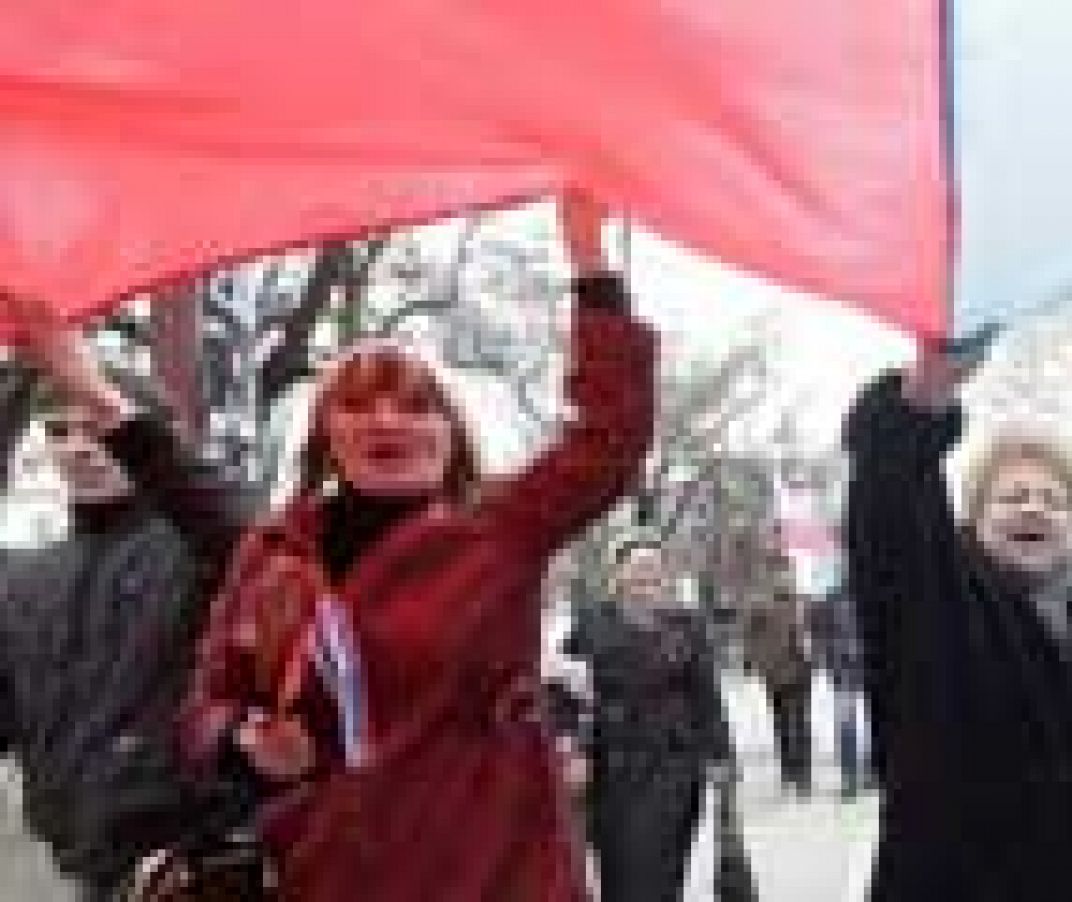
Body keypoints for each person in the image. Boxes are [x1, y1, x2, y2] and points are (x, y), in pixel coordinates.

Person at [179, 193, 659, 902]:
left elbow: (610, 439)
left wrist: (590, 263)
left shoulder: (500, 529)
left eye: (414, 406)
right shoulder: (275, 551)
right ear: (327, 437)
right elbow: (206, 705)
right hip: (328, 873)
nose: (387, 421)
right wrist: (242, 743)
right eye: (358, 405)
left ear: (451, 435)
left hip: (488, 871)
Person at [843, 346, 1072, 902]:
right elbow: (890, 521)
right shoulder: (937, 604)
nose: (1033, 509)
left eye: (1053, 500)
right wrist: (917, 405)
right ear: (976, 520)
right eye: (1013, 497)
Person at [0, 293, 249, 901]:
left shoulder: (203, 549)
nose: (81, 447)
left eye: (96, 428)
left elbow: (242, 537)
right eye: (60, 431)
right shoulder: (24, 576)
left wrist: (99, 395)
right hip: (88, 867)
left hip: (200, 865)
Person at [566, 536, 735, 902]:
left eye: (654, 568)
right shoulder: (590, 625)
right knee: (620, 863)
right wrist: (573, 749)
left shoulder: (687, 625)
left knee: (666, 863)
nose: (647, 576)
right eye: (638, 567)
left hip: (675, 765)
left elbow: (706, 695)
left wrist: (721, 757)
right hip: (614, 766)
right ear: (618, 575)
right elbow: (566, 696)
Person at [742, 556, 816, 797]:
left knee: (795, 721)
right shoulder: (763, 602)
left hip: (798, 668)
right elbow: (749, 635)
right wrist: (755, 662)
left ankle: (799, 774)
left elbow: (812, 631)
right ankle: (793, 773)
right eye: (784, 571)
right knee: (787, 721)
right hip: (778, 671)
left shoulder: (799, 601)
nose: (786, 576)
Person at [811, 585, 873, 799]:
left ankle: (856, 775)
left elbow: (818, 635)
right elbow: (818, 635)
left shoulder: (828, 600)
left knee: (852, 722)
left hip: (846, 666)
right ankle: (853, 776)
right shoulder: (829, 600)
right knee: (850, 722)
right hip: (845, 667)